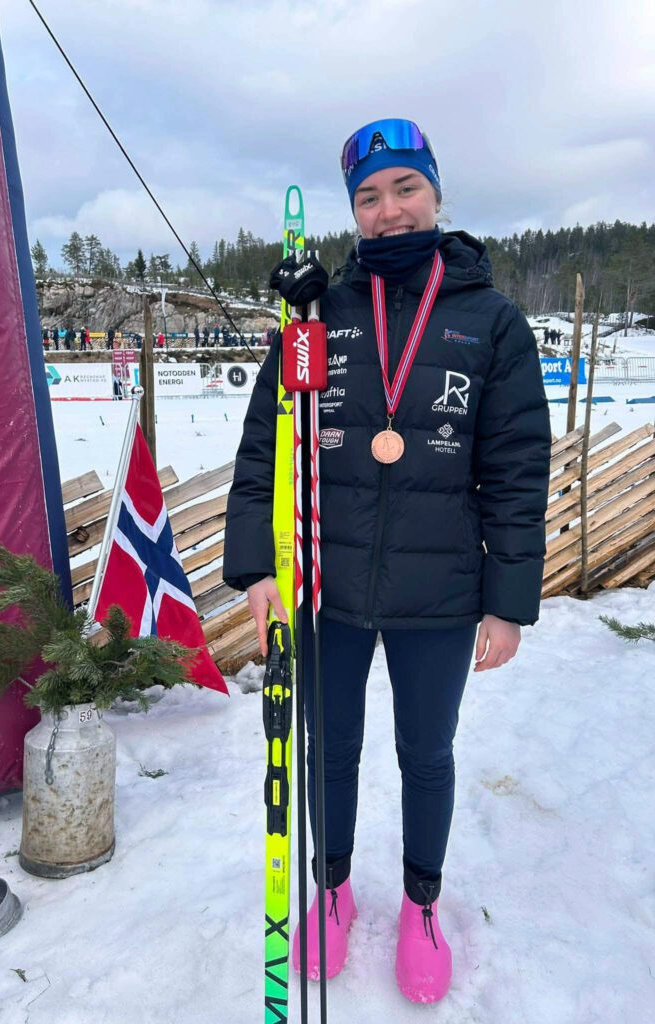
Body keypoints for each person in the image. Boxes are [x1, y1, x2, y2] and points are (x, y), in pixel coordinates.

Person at [223, 118, 550, 1005]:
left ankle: (421, 904)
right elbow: (264, 450)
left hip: (440, 593)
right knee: (329, 750)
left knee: (426, 754)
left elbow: (518, 469)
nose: (389, 209)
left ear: (436, 194)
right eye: (368, 197)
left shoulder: (492, 322)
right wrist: (258, 568)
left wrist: (508, 600)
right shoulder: (316, 315)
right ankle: (331, 891)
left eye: (405, 188)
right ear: (353, 212)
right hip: (324, 589)